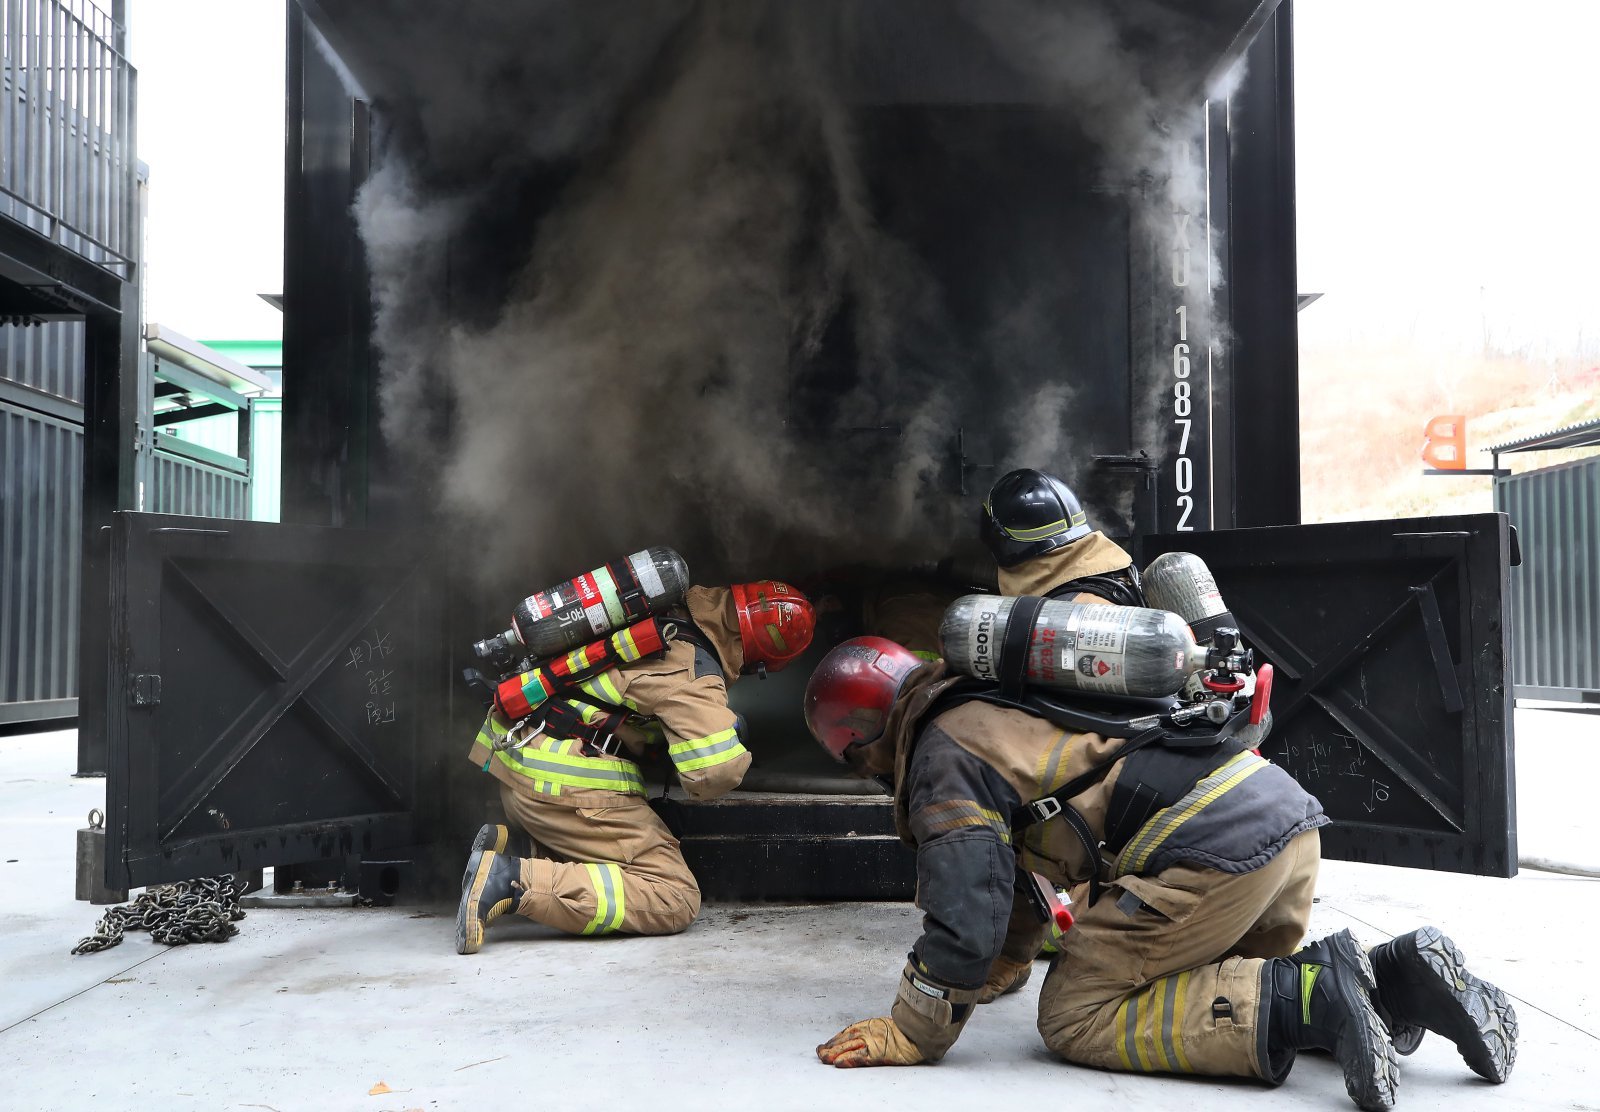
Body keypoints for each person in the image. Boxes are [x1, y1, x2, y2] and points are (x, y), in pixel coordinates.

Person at [801, 630, 1517, 1111]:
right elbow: (1009, 871)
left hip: (1209, 856)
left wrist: (916, 1029)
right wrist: (1002, 965)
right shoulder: (989, 692)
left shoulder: (940, 756)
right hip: (1279, 822)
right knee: (1204, 984)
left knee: (1074, 1014)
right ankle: (1396, 981)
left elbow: (966, 908)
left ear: (859, 743)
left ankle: (1315, 994)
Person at [455, 581, 815, 954]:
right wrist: (734, 732)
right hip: (564, 786)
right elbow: (712, 773)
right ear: (757, 660)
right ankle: (510, 879)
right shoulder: (694, 669)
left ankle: (525, 849)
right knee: (673, 896)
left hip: (520, 764)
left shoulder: (661, 609)